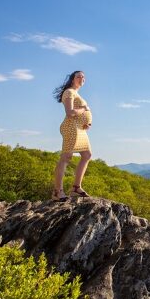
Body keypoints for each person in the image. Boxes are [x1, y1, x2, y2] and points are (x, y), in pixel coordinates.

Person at [52, 70, 93, 201]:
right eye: (79, 76)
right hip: (71, 127)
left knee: (87, 155)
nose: (82, 78)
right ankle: (57, 192)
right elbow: (70, 112)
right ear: (72, 79)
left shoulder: (76, 93)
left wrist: (87, 123)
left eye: (83, 77)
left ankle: (76, 188)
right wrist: (84, 109)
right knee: (66, 157)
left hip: (80, 129)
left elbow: (81, 115)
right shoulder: (69, 92)